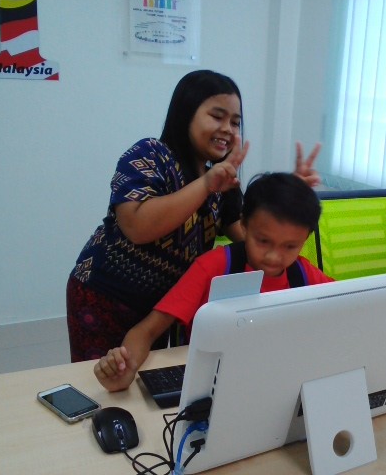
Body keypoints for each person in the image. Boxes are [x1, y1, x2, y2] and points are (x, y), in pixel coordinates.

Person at [67, 70, 320, 362]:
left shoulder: (222, 180)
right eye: (217, 116)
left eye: (235, 122)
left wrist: (287, 201)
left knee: (144, 375)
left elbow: (253, 236)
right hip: (105, 294)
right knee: (101, 376)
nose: (228, 129)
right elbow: (136, 226)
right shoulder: (151, 154)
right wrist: (205, 185)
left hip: (162, 304)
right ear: (186, 113)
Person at [94, 172, 334, 391]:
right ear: (244, 225)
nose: (274, 256)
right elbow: (146, 331)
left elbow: (348, 307)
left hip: (276, 383)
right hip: (213, 387)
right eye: (263, 241)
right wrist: (126, 367)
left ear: (305, 239)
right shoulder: (214, 267)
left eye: (290, 246)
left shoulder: (304, 274)